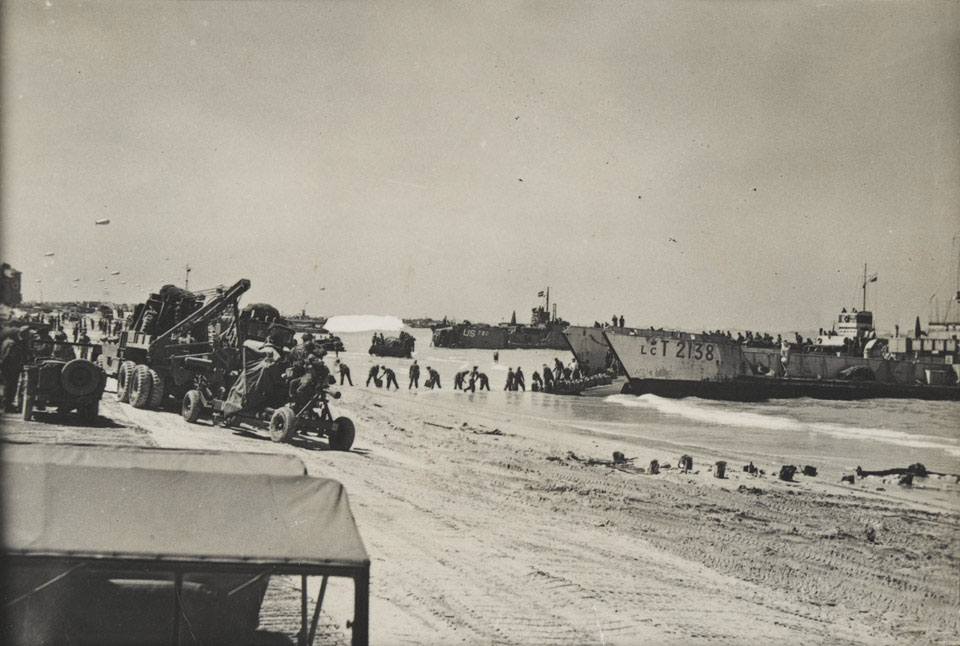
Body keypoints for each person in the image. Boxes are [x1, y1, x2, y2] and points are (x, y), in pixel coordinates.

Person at [1, 328, 32, 412]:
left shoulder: (20, 343)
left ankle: (8, 405)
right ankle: (6, 406)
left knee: (12, 386)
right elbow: (7, 357)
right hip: (10, 368)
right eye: (27, 333)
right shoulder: (12, 343)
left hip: (14, 368)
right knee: (9, 387)